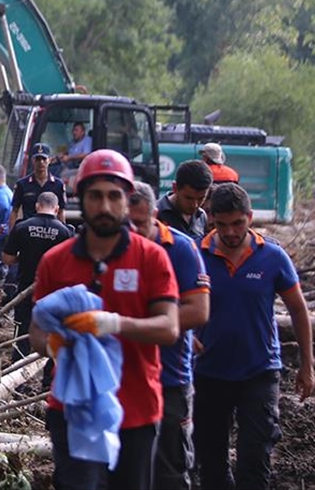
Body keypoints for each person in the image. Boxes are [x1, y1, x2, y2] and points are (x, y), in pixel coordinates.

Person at [29, 150, 180, 490]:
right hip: (72, 410)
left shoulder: (151, 258)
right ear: (81, 198)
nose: (105, 206)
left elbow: (168, 328)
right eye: (95, 196)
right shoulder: (55, 261)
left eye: (114, 196)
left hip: (137, 410)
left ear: (127, 200)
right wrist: (54, 344)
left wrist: (112, 324)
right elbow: (36, 334)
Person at [194, 182, 315, 490]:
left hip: (259, 371)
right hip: (209, 371)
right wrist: (184, 333)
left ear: (249, 217)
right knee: (210, 460)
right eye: (222, 225)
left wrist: (307, 365)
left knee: (255, 455)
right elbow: (173, 302)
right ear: (211, 219)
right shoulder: (196, 255)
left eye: (238, 223)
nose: (231, 232)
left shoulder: (273, 257)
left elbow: (299, 310)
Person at [128, 181, 210, 490]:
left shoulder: (182, 248)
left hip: (169, 376)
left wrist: (140, 327)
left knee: (170, 468)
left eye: (140, 222)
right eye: (128, 222)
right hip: (122, 377)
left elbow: (199, 311)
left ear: (155, 214)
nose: (133, 231)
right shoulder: (111, 247)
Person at [2, 192, 74, 359]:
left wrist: (26, 256)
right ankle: (47, 382)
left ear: (37, 206)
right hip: (53, 294)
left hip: (25, 290)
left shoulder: (22, 227)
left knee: (21, 337)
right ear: (57, 209)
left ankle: (17, 380)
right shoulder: (66, 232)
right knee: (53, 337)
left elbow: (7, 258)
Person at [9, 143, 66, 232]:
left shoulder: (58, 185)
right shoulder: (22, 184)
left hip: (51, 233)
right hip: (28, 232)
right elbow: (14, 211)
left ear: (49, 160)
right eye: (38, 159)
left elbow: (61, 212)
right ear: (32, 161)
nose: (41, 162)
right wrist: (11, 234)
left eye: (44, 159)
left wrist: (64, 233)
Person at [156, 159, 212, 238]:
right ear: (175, 188)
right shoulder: (156, 214)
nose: (195, 205)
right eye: (188, 198)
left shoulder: (201, 216)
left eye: (201, 198)